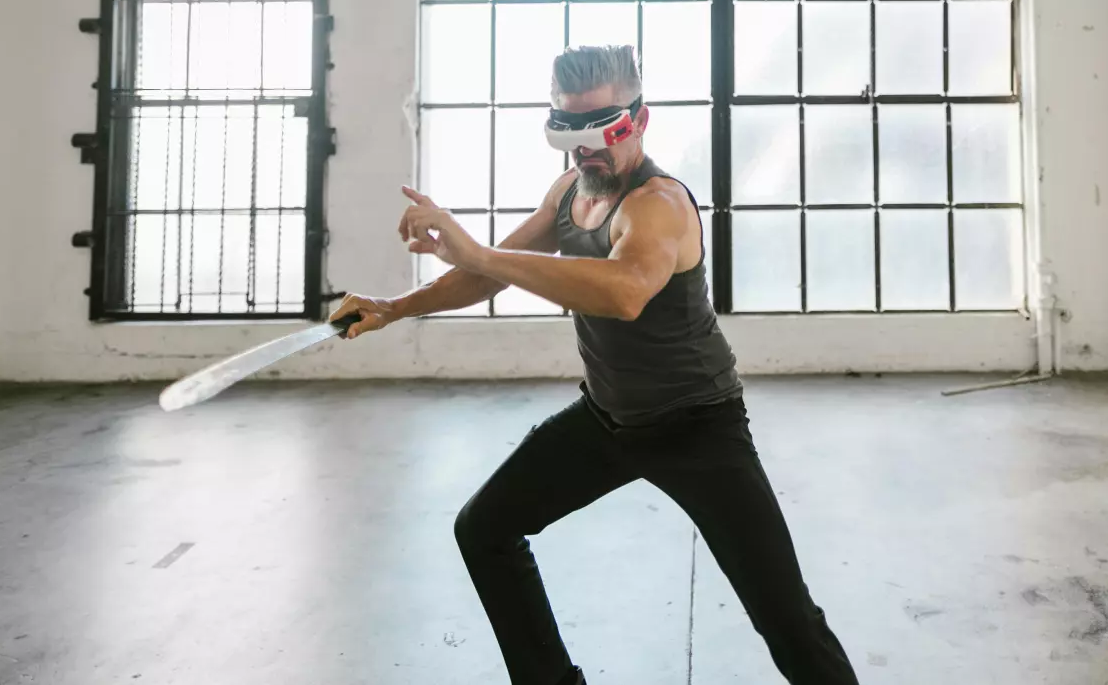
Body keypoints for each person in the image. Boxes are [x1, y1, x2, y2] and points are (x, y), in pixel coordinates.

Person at [331, 45, 859, 685]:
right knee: (485, 530)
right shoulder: (570, 192)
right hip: (608, 421)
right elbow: (485, 277)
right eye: (570, 129)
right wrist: (395, 307)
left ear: (638, 119)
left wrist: (479, 254)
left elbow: (625, 291)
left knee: (785, 619)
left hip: (699, 428)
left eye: (599, 127)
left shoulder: (657, 204)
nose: (585, 148)